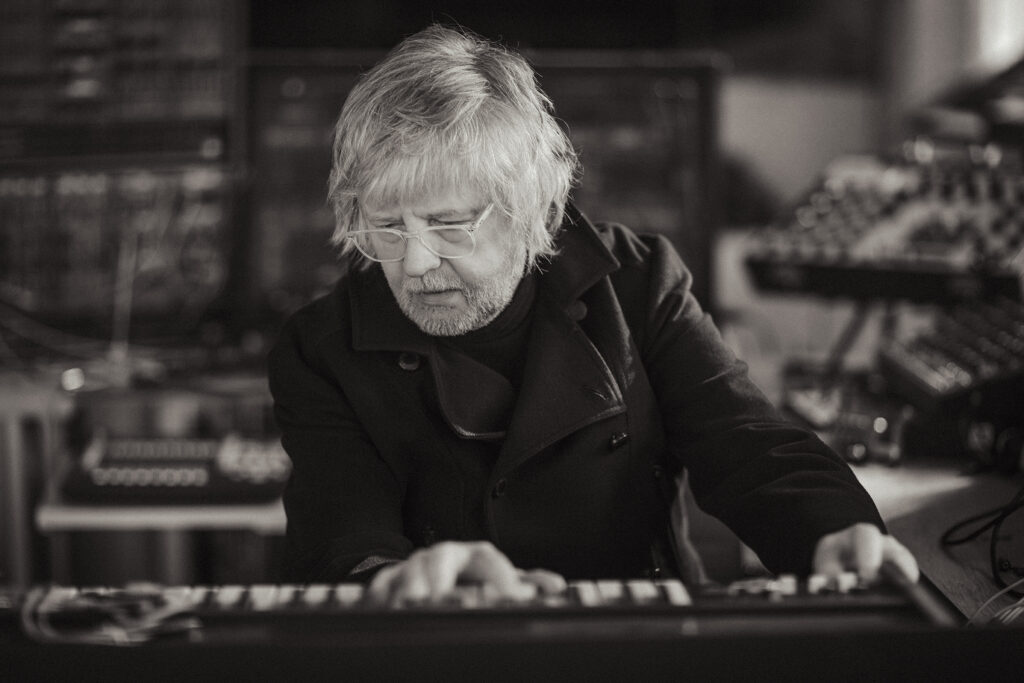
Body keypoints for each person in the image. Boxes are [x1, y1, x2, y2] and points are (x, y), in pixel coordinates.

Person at [267, 24, 918, 604]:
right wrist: (398, 585)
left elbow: (749, 447)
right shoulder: (319, 347)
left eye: (449, 224)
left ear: (537, 212)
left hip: (639, 641)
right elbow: (343, 533)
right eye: (387, 226)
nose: (413, 263)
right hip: (435, 652)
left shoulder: (637, 283)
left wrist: (832, 531)